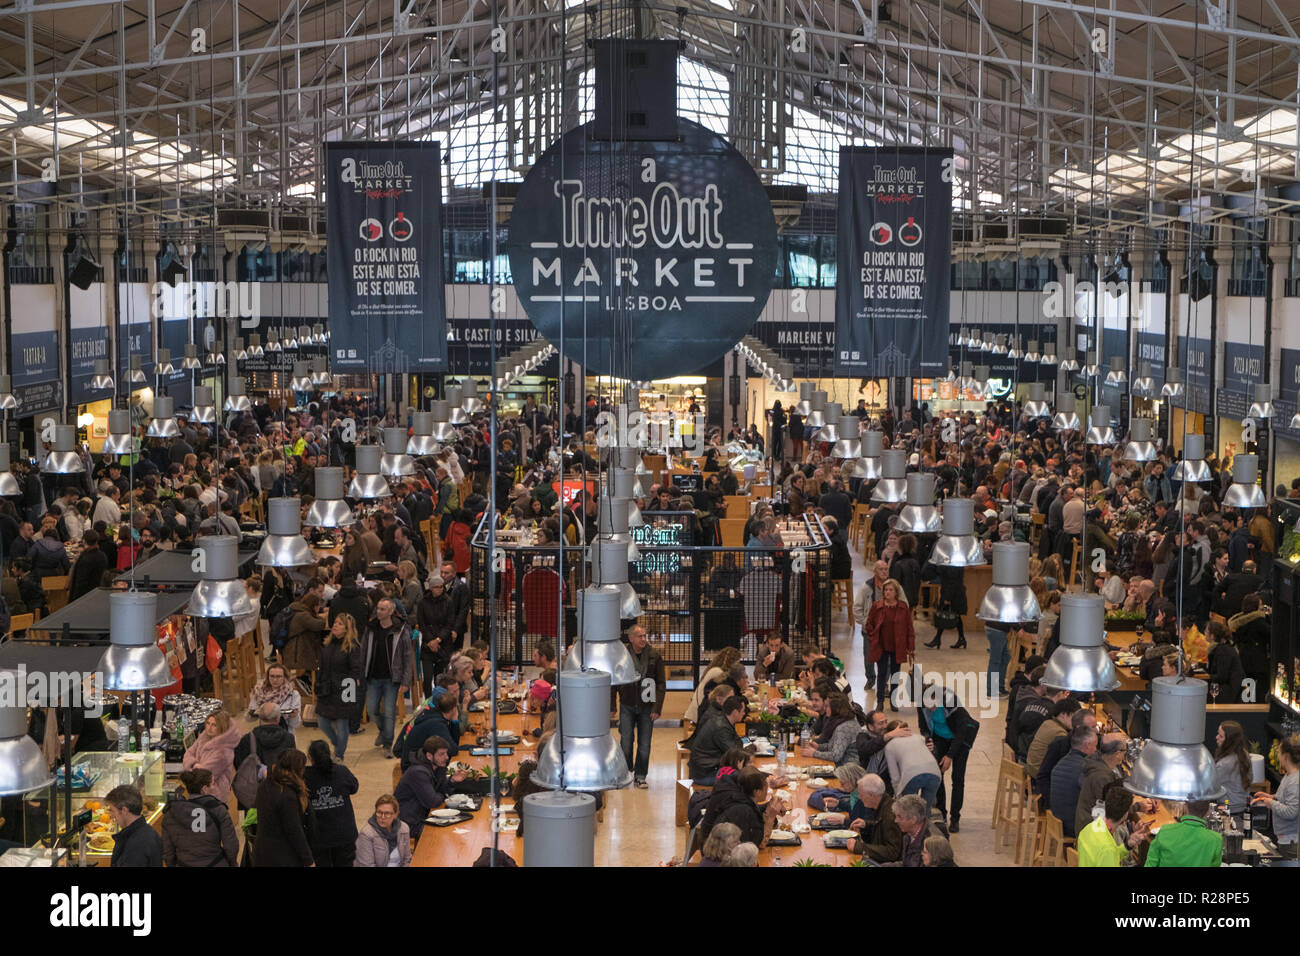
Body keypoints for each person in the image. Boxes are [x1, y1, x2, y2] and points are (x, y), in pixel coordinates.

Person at [918, 685, 980, 831]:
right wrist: (928, 739)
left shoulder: (951, 702)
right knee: (937, 775)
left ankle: (955, 817)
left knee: (958, 778)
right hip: (940, 738)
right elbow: (923, 726)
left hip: (960, 739)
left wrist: (950, 755)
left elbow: (962, 730)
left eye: (933, 706)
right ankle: (941, 813)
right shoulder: (921, 703)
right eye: (927, 706)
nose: (930, 709)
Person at [362, 597, 414, 757]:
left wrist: (406, 681)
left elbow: (407, 656)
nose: (379, 611)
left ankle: (388, 744)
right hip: (373, 676)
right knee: (372, 709)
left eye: (383, 609)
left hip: (392, 678)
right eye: (378, 608)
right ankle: (383, 731)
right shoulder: (371, 628)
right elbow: (363, 651)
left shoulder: (400, 630)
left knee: (390, 711)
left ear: (391, 611)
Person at [618, 623, 665, 789]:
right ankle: (625, 772)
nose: (644, 639)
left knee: (645, 744)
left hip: (647, 706)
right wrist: (611, 706)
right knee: (626, 741)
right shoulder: (622, 656)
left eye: (645, 636)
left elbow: (660, 684)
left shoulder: (654, 656)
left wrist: (657, 708)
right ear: (630, 638)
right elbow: (614, 681)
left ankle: (640, 776)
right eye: (640, 636)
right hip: (627, 704)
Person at [394, 736, 467, 841]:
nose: (446, 757)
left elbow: (441, 790)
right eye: (441, 754)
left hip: (422, 816)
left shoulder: (437, 767)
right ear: (429, 756)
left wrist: (452, 781)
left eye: (446, 753)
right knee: (448, 835)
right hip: (408, 824)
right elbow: (432, 801)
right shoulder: (418, 772)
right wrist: (443, 795)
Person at [162, 769, 239, 867]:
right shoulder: (218, 810)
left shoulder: (171, 812)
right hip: (215, 862)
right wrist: (232, 863)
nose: (214, 787)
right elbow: (231, 846)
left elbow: (167, 850)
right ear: (204, 789)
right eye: (212, 784)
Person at [253, 748, 316, 867]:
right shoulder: (287, 796)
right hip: (283, 856)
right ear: (297, 769)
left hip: (263, 852)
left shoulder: (265, 786)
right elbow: (294, 830)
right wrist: (308, 860)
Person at [304, 740, 359, 867]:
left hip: (319, 839)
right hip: (344, 835)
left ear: (310, 757)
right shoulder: (342, 771)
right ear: (329, 754)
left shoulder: (305, 776)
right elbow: (354, 788)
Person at [316, 613, 363, 761]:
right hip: (327, 688)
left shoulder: (352, 647)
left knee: (342, 725)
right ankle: (338, 744)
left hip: (344, 689)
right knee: (322, 722)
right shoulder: (328, 644)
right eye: (335, 623)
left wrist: (350, 687)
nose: (335, 625)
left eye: (340, 624)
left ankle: (339, 755)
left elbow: (356, 669)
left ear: (347, 629)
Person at [703, 766, 783, 847]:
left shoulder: (737, 793)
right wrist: (771, 815)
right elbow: (758, 844)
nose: (767, 791)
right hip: (717, 853)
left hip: (711, 845)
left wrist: (767, 806)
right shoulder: (741, 809)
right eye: (766, 788)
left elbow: (753, 808)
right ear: (757, 792)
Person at [865, 578, 914, 710]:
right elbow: (869, 623)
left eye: (891, 590)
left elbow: (909, 628)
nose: (887, 592)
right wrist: (872, 637)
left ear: (896, 592)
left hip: (897, 646)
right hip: (881, 646)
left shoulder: (903, 607)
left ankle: (893, 700)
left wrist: (911, 647)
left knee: (895, 674)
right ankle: (880, 701)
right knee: (881, 674)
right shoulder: (877, 606)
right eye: (886, 590)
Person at [1078, 786, 1150, 867]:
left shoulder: (1089, 828)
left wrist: (1128, 845)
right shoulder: (1107, 849)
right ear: (1125, 815)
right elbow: (1108, 855)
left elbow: (1109, 857)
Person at [181, 709, 242, 803]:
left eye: (214, 725)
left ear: (222, 726)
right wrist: (195, 764)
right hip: (200, 792)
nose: (209, 728)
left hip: (214, 796)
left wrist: (191, 766)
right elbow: (188, 754)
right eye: (208, 723)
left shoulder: (224, 750)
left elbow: (203, 774)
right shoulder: (203, 737)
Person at [1074, 733, 1128, 835]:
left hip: (1088, 822)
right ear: (1117, 753)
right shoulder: (1102, 777)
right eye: (1125, 751)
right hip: (1090, 831)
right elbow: (1113, 810)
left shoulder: (1098, 762)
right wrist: (1138, 806)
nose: (1125, 754)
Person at [1049, 725, 1098, 838]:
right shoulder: (1084, 769)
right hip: (1073, 826)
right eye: (1095, 746)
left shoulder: (1061, 763)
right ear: (1087, 745)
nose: (1096, 750)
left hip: (1058, 821)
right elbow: (1096, 798)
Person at [1252, 734, 1299, 850]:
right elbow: (1285, 798)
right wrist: (1271, 797)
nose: (1277, 756)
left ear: (1286, 756)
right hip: (1285, 838)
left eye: (1279, 752)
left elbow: (1292, 811)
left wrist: (1271, 803)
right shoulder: (1289, 775)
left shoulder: (1295, 781)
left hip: (1291, 841)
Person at [884, 720, 943, 811]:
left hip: (912, 774)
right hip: (935, 773)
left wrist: (898, 796)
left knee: (909, 811)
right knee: (925, 810)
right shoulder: (919, 737)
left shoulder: (890, 746)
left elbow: (895, 777)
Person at [1145, 799, 1223, 867]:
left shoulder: (1165, 831)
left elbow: (1150, 864)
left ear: (1185, 807)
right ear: (1208, 812)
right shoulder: (1216, 840)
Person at [687, 695, 746, 783]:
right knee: (745, 779)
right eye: (743, 711)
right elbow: (735, 754)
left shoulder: (724, 719)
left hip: (708, 768)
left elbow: (738, 743)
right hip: (705, 774)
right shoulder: (721, 728)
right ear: (735, 712)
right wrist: (752, 748)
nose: (744, 713)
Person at [847, 774, 904, 863]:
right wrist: (866, 824)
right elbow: (881, 827)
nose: (859, 797)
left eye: (861, 794)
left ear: (871, 795)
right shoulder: (884, 804)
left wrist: (860, 847)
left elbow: (892, 852)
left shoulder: (890, 815)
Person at [106, 784, 163, 867]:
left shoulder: (136, 846)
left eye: (112, 810)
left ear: (124, 810)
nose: (110, 815)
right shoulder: (148, 832)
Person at [684, 647, 741, 725]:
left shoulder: (715, 669)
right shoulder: (718, 672)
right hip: (699, 713)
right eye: (737, 662)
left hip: (699, 710)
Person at [354, 794, 412, 867]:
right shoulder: (366, 834)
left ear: (395, 814)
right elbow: (367, 865)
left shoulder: (404, 829)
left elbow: (407, 859)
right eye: (379, 812)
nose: (382, 817)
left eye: (387, 813)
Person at [883, 794, 938, 867]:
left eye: (900, 817)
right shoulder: (909, 834)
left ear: (913, 820)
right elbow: (906, 863)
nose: (895, 820)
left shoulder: (931, 844)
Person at [1213, 720, 1252, 816]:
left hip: (1229, 810)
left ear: (1229, 741)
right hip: (1243, 807)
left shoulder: (1224, 764)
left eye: (1221, 736)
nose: (1216, 737)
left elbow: (1210, 786)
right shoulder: (1244, 755)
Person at [246, 663, 302, 730]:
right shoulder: (258, 692)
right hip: (264, 731)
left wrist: (294, 716)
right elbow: (249, 720)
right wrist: (251, 713)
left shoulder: (293, 694)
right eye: (272, 676)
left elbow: (295, 725)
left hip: (285, 733)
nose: (275, 680)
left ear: (284, 677)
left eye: (278, 676)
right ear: (267, 677)